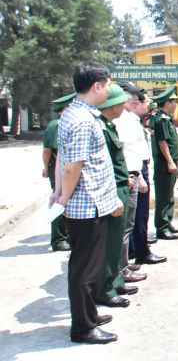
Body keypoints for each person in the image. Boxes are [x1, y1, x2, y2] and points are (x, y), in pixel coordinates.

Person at [52, 61, 120, 344]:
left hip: (89, 204)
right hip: (86, 205)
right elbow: (72, 167)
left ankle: (88, 313)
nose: (109, 90)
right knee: (85, 269)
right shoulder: (82, 120)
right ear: (97, 86)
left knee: (86, 266)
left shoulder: (74, 114)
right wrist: (63, 198)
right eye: (107, 85)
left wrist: (58, 192)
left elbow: (62, 158)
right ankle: (83, 327)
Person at [95, 84, 137, 309]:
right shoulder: (100, 128)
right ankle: (105, 290)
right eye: (121, 102)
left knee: (115, 240)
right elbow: (104, 166)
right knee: (110, 242)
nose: (124, 105)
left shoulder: (109, 126)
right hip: (112, 189)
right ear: (111, 105)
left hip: (121, 184)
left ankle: (115, 281)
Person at [117, 82, 167, 266]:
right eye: (137, 100)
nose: (141, 104)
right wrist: (138, 174)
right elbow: (126, 152)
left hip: (139, 168)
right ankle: (140, 251)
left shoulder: (132, 120)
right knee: (138, 214)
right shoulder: (125, 121)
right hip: (134, 171)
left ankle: (135, 248)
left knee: (138, 214)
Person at [42, 92, 74, 252]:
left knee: (65, 201)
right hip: (57, 168)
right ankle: (58, 239)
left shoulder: (64, 123)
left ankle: (66, 235)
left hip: (63, 167)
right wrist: (45, 167)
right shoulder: (56, 125)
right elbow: (47, 150)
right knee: (59, 200)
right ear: (66, 108)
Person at [151, 86, 178, 240]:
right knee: (164, 195)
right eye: (174, 102)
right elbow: (162, 142)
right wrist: (170, 162)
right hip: (164, 164)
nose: (176, 105)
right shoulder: (161, 119)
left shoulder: (167, 119)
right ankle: (162, 228)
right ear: (167, 103)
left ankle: (167, 222)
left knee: (169, 195)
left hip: (170, 162)